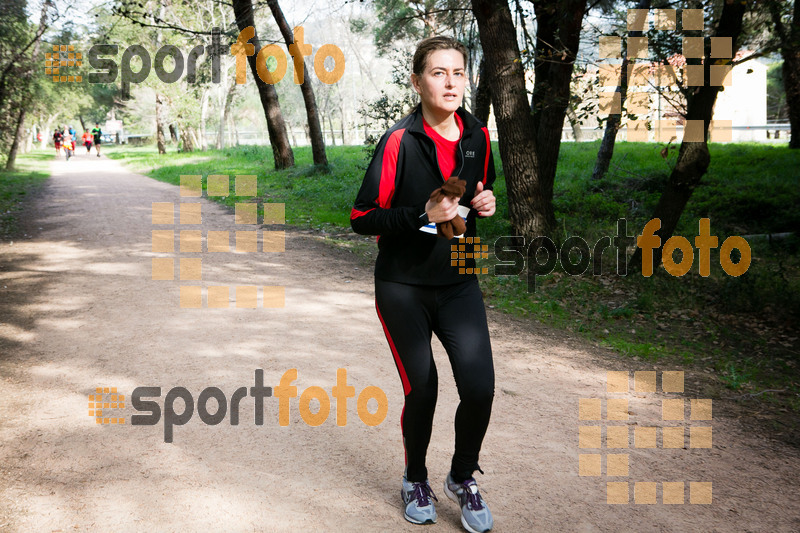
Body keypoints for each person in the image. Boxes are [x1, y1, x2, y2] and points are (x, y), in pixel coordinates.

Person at [350, 36, 497, 533]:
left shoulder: (478, 135)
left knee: (479, 388)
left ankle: (461, 477)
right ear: (417, 81)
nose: (451, 81)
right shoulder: (398, 142)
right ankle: (415, 477)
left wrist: (484, 204)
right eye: (438, 72)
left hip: (459, 280)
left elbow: (480, 189)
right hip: (403, 285)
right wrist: (420, 215)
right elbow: (361, 217)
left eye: (458, 72)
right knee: (425, 389)